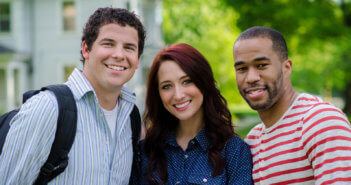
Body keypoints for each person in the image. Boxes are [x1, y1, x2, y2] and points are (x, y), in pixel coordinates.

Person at [0, 7, 145, 184]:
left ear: (138, 60)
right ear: (86, 49)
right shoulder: (48, 108)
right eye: (108, 44)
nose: (119, 55)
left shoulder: (131, 118)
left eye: (129, 48)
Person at [233, 26, 351, 184]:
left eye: (261, 65)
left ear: (286, 68)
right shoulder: (252, 141)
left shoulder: (321, 122)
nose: (251, 77)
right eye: (242, 69)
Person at [132, 43, 253, 185]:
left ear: (203, 82)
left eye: (187, 81)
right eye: (167, 86)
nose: (178, 95)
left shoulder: (234, 150)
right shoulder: (145, 152)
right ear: (158, 94)